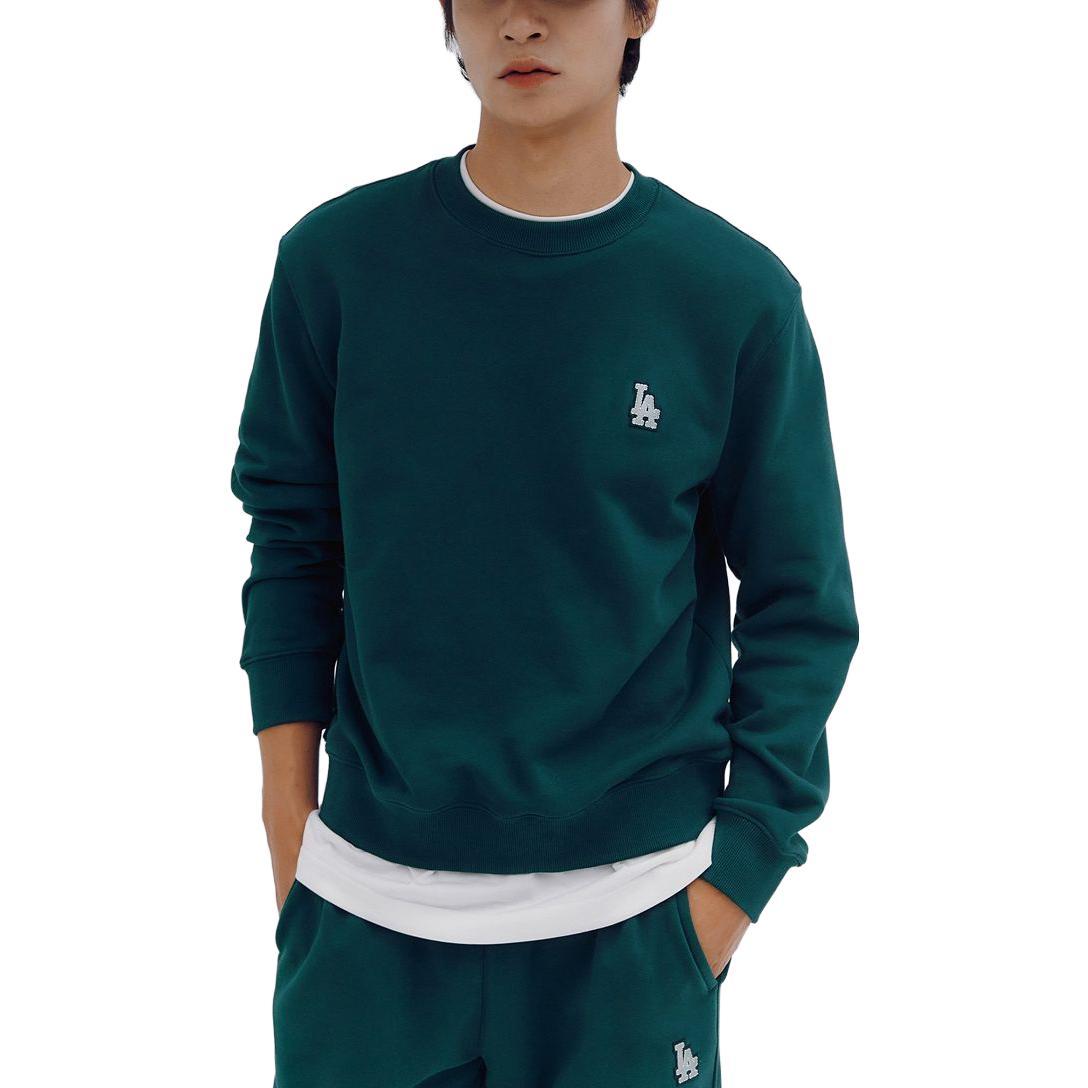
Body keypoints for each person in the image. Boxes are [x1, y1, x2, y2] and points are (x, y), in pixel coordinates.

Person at [230, 1, 859, 1084]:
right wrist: (288, 825)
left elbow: (800, 605)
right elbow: (291, 541)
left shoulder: (731, 295)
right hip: (364, 918)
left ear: (640, 8)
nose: (520, 21)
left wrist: (734, 881)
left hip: (634, 922)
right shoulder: (336, 264)